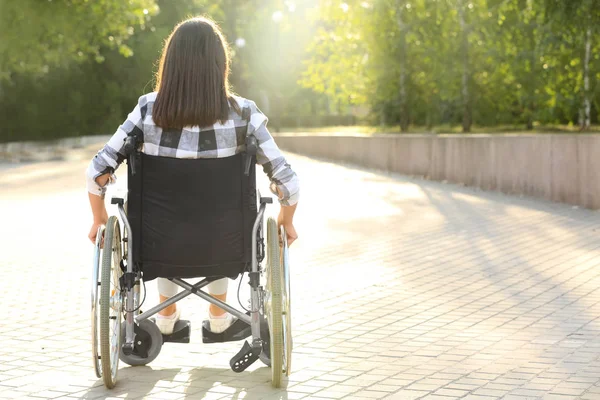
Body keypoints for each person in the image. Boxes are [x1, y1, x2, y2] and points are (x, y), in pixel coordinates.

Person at [85, 16, 299, 336]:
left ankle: (166, 317)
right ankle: (218, 316)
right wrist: (286, 220)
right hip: (227, 244)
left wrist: (99, 218)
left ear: (170, 63)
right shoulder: (244, 114)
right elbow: (288, 182)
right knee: (218, 218)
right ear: (220, 63)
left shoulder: (147, 111)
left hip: (157, 242)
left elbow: (97, 171)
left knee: (165, 220)